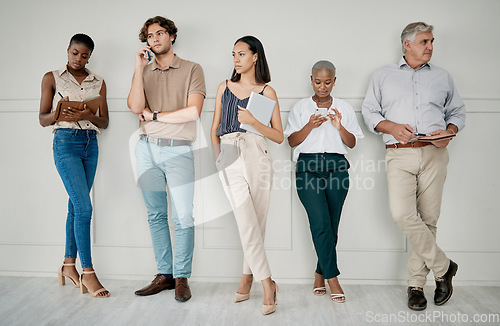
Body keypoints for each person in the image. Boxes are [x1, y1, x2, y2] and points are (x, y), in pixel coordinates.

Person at [362, 22, 465, 311]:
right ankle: (444, 267)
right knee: (402, 214)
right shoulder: (383, 75)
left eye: (431, 41)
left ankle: (416, 285)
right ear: (407, 44)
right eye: (424, 41)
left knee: (428, 220)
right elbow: (370, 112)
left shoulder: (443, 77)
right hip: (399, 154)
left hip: (434, 154)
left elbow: (456, 111)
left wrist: (450, 131)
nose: (430, 46)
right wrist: (391, 126)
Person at [127, 16, 205, 302]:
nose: (155, 38)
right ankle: (165, 274)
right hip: (146, 149)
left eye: (160, 33)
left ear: (172, 36)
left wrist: (156, 115)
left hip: (178, 149)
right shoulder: (144, 72)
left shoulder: (192, 69)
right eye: (150, 35)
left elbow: (192, 112)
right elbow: (135, 106)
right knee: (156, 215)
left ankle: (182, 275)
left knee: (183, 216)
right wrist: (138, 67)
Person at [210, 36, 283, 315]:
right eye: (233, 55)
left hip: (258, 153)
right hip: (229, 154)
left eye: (241, 54)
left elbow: (278, 136)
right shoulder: (224, 87)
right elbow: (214, 127)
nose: (236, 60)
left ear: (255, 57)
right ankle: (268, 284)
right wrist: (219, 160)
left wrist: (254, 122)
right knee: (245, 220)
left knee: (256, 222)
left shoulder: (267, 92)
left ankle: (246, 277)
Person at [285, 60, 364, 303]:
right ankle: (333, 278)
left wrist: (340, 127)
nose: (322, 86)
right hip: (307, 169)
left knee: (332, 226)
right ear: (311, 80)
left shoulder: (344, 108)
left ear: (334, 81)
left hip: (337, 167)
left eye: (327, 82)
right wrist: (309, 125)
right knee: (320, 223)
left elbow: (351, 143)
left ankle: (319, 273)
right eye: (318, 82)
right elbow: (292, 141)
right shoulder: (300, 108)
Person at [39, 34, 110, 298]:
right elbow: (42, 118)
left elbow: (104, 122)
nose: (79, 59)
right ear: (67, 50)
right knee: (84, 207)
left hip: (91, 144)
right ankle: (88, 273)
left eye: (84, 55)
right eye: (75, 53)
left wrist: (87, 115)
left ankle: (68, 265)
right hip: (65, 143)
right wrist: (60, 112)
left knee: (75, 206)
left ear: (89, 56)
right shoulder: (51, 78)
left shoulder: (99, 82)